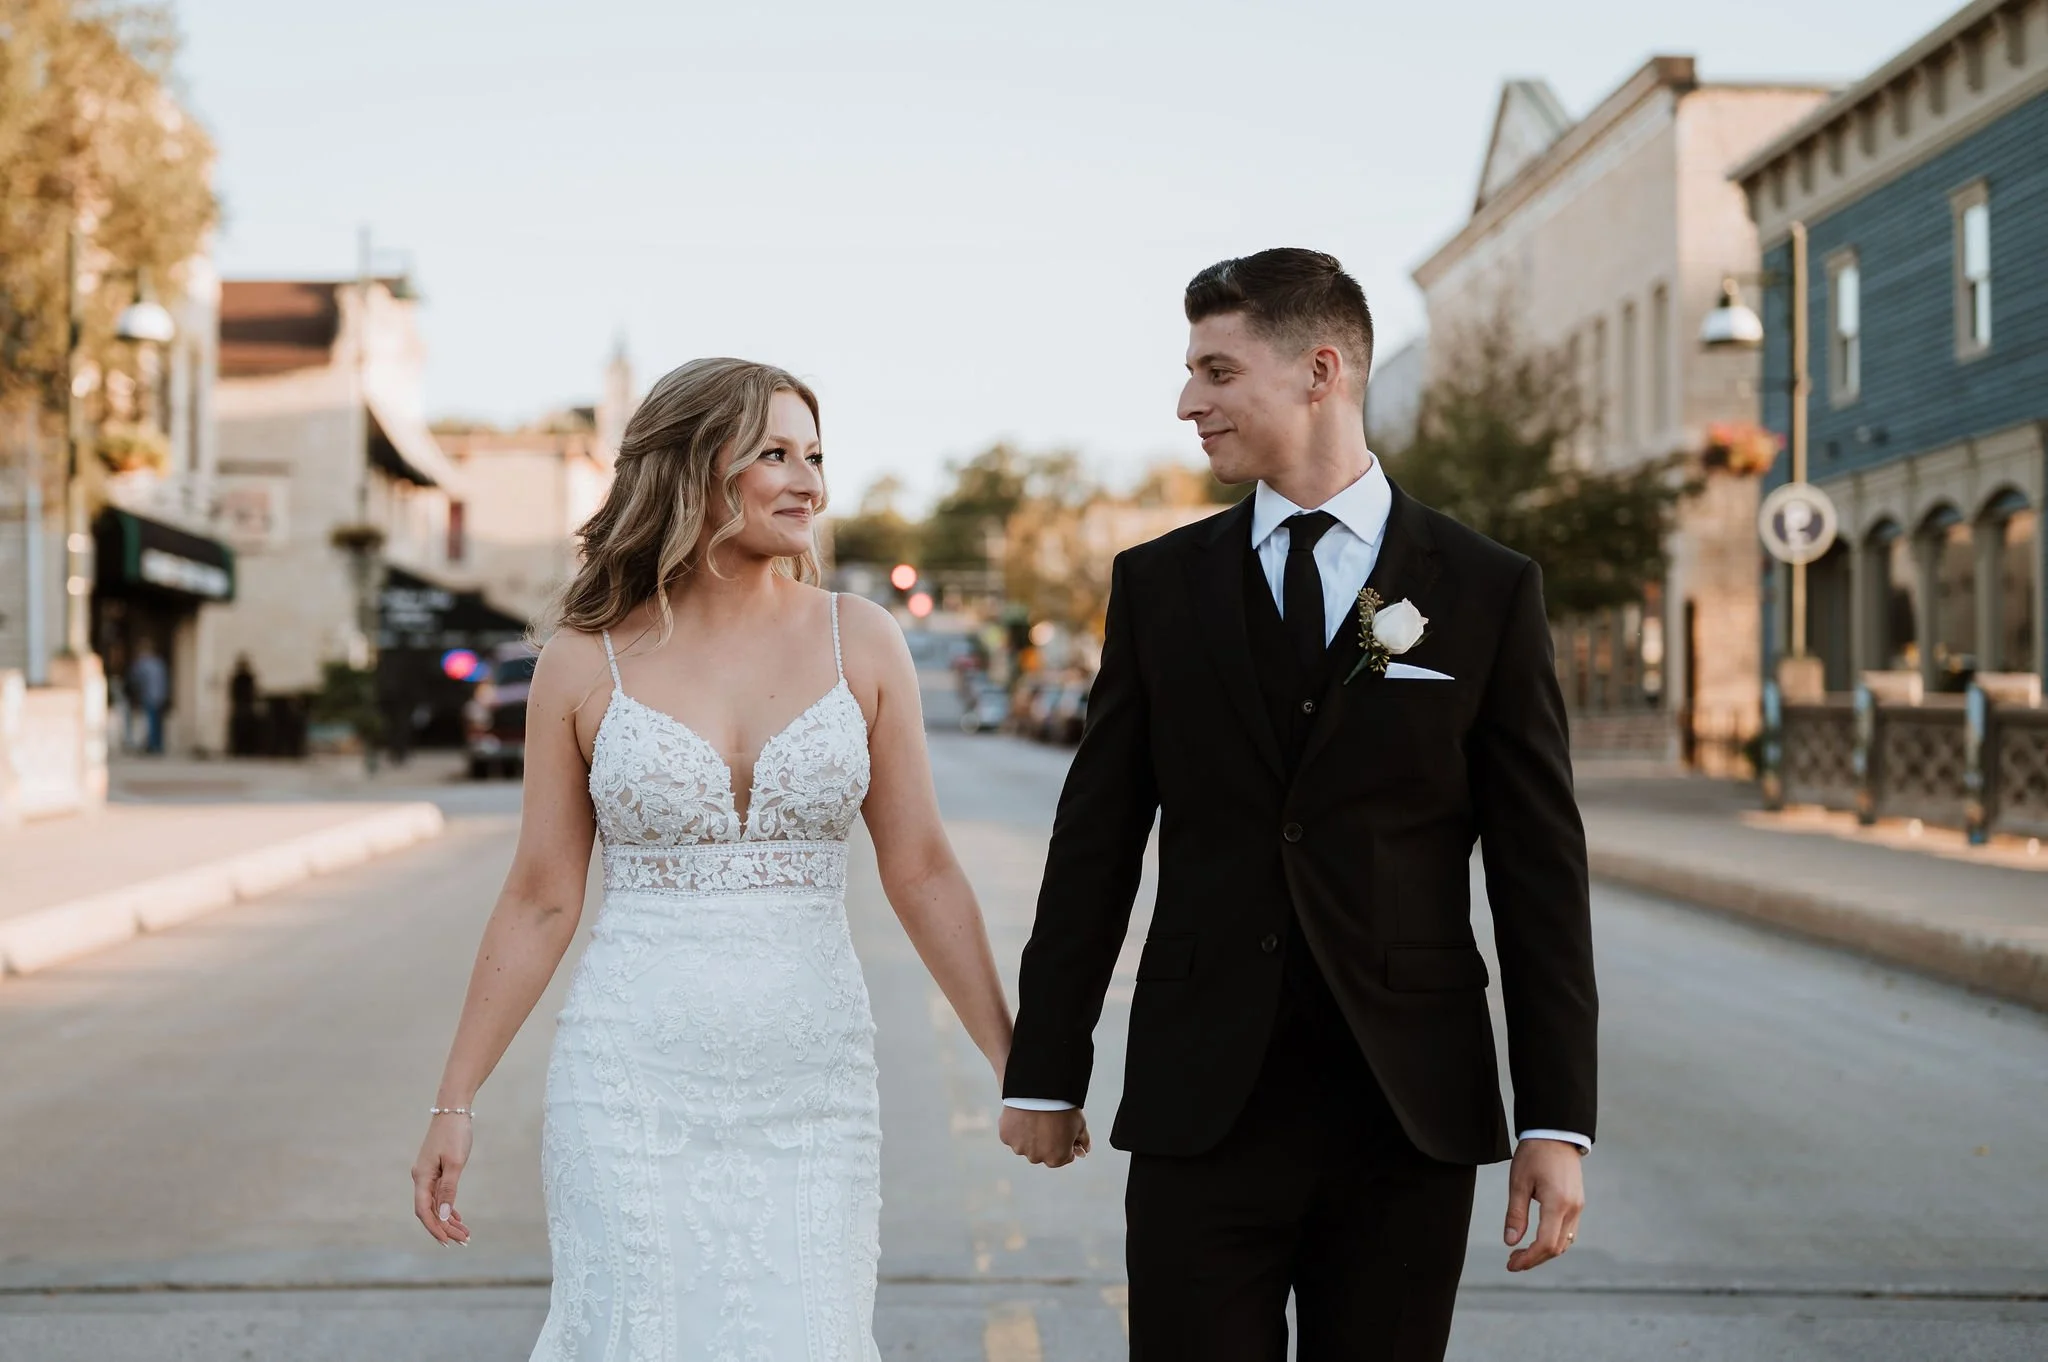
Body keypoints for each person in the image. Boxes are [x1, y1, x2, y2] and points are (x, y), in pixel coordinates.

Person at [999, 249, 1597, 1361]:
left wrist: (1552, 1120)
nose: (1188, 402)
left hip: (1404, 1113)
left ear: (1319, 370)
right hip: (1199, 1110)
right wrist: (1045, 1064)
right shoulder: (1157, 587)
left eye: (1216, 372)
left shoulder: (1483, 588)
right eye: (1189, 373)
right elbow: (1094, 846)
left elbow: (1537, 875)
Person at [411, 358, 1025, 1361]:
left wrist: (1016, 1065)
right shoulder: (583, 658)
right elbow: (537, 899)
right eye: (773, 454)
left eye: (815, 456)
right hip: (628, 1085)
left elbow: (919, 869)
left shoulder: (859, 641)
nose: (808, 483)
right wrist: (455, 1101)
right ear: (694, 470)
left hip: (813, 1086)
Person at [126, 639, 170, 755]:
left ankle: (152, 745)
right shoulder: (159, 664)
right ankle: (158, 745)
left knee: (150, 721)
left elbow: (134, 677)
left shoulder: (143, 663)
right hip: (159, 696)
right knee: (157, 722)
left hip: (149, 696)